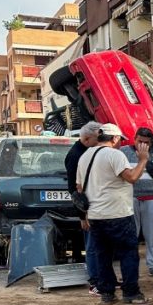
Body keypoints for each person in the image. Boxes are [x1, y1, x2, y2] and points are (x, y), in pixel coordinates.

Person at [76, 122, 153, 305]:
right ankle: (132, 294)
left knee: (103, 256)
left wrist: (84, 214)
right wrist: (143, 159)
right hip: (118, 214)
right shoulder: (115, 155)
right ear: (115, 138)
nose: (121, 144)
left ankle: (107, 294)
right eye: (120, 140)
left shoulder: (85, 156)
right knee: (128, 254)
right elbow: (132, 177)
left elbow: (79, 188)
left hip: (95, 215)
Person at [121, 126, 153, 279]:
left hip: (151, 198)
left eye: (146, 142)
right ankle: (131, 269)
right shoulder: (124, 151)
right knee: (131, 236)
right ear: (134, 139)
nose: (142, 145)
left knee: (151, 236)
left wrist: (150, 143)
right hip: (131, 198)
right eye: (140, 141)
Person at [65, 121, 102, 294]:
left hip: (95, 206)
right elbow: (74, 190)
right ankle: (95, 281)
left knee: (98, 245)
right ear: (87, 138)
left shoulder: (87, 151)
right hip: (87, 209)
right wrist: (82, 215)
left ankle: (103, 278)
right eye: (97, 138)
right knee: (92, 246)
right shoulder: (76, 155)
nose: (99, 141)